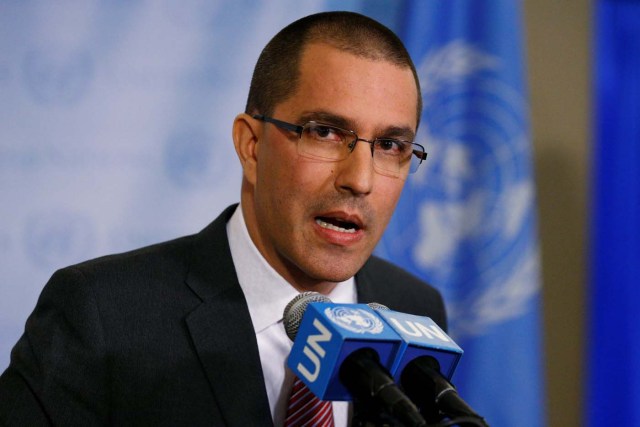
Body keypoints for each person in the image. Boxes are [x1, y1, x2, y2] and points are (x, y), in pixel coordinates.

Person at [0, 11, 446, 427]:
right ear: (251, 147)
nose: (361, 180)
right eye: (325, 133)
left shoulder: (416, 312)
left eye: (390, 146)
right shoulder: (101, 317)